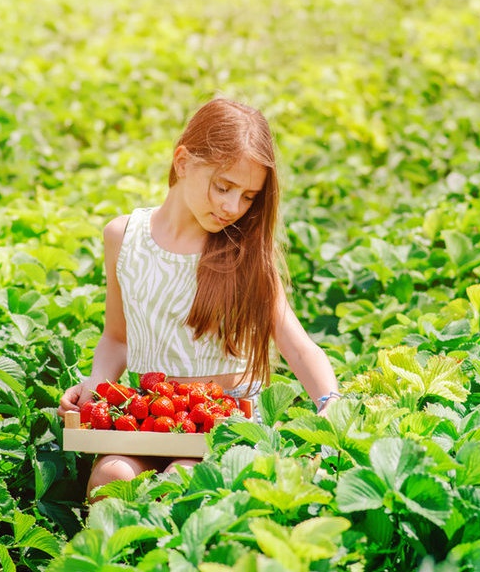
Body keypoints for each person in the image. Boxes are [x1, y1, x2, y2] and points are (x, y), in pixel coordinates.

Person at [58, 97, 341, 502]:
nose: (232, 208)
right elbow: (117, 338)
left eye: (248, 197)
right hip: (152, 421)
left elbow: (297, 345)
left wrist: (330, 404)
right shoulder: (124, 238)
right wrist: (96, 387)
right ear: (183, 162)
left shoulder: (244, 252)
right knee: (112, 479)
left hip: (226, 424)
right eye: (223, 187)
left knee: (182, 481)